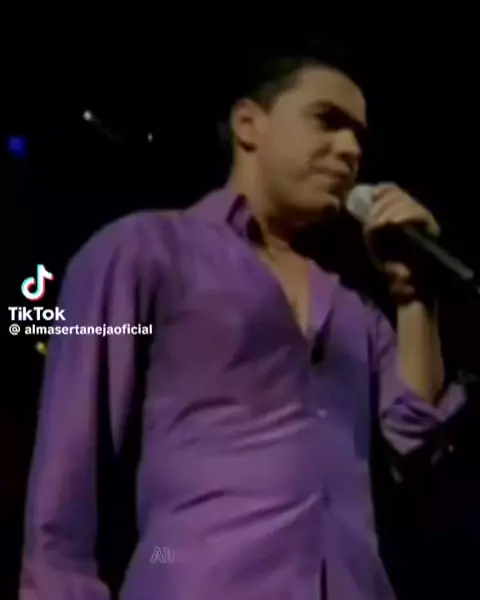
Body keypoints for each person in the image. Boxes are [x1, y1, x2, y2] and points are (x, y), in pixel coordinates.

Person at [20, 48, 467, 600]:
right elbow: (69, 460)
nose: (351, 150)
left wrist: (414, 293)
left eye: (359, 137)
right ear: (249, 124)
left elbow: (416, 437)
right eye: (327, 121)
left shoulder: (353, 308)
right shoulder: (143, 248)